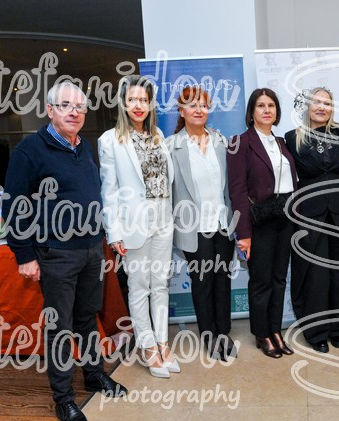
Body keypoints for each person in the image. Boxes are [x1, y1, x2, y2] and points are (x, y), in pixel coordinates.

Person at [3, 81, 127, 421]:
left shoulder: (83, 147)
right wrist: (24, 255)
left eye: (80, 107)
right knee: (60, 327)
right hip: (55, 253)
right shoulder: (30, 151)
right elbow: (14, 206)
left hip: (91, 250)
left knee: (87, 318)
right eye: (66, 105)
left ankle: (94, 375)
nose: (75, 112)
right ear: (50, 110)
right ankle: (64, 400)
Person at [98, 75, 179, 379]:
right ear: (122, 103)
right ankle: (146, 346)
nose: (138, 105)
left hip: (163, 219)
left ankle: (162, 343)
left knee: (160, 284)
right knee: (139, 286)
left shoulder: (158, 134)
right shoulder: (110, 140)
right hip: (134, 223)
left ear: (150, 104)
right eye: (132, 99)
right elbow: (109, 191)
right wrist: (114, 232)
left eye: (143, 100)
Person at [284, 87, 339, 353]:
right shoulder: (292, 138)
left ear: (332, 108)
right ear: (307, 107)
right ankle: (316, 331)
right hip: (310, 216)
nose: (321, 107)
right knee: (314, 275)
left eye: (326, 103)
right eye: (316, 102)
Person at [166, 86, 236, 360]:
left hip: (222, 223)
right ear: (181, 111)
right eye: (192, 105)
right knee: (203, 282)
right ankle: (210, 336)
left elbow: (229, 187)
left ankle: (224, 333)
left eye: (203, 105)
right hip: (194, 228)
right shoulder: (172, 146)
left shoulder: (220, 140)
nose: (198, 110)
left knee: (222, 280)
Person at [227, 88, 297, 359]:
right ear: (251, 111)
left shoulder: (281, 142)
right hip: (259, 223)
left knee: (279, 278)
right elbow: (237, 191)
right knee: (261, 281)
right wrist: (243, 233)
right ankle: (262, 333)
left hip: (285, 219)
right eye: (261, 105)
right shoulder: (240, 143)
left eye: (271, 105)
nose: (267, 110)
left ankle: (275, 329)